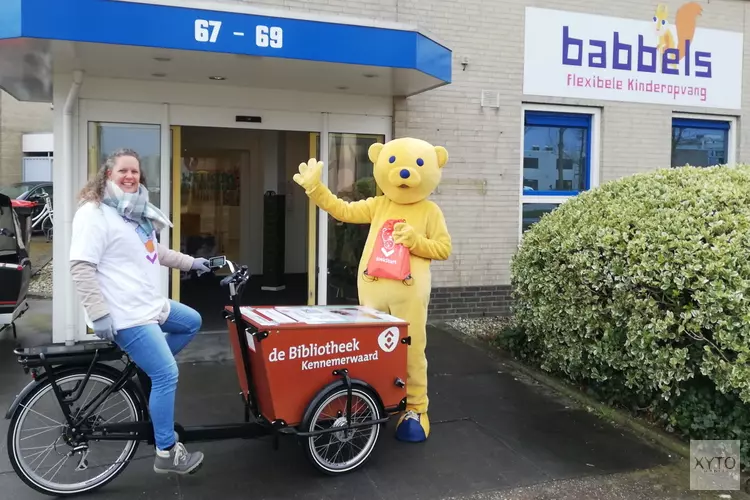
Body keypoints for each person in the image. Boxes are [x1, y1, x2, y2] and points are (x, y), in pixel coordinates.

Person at [69, 148, 209, 475]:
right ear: (108, 176)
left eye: (135, 171)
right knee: (167, 374)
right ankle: (166, 452)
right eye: (123, 171)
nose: (130, 176)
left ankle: (148, 366)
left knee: (191, 321)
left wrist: (194, 264)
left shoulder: (131, 213)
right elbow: (80, 267)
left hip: (147, 304)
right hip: (124, 314)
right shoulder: (95, 213)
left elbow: (153, 251)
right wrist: (99, 313)